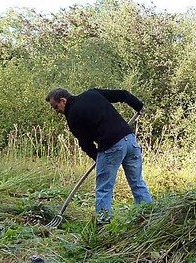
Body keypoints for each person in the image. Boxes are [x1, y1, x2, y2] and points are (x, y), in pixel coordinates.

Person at [45, 87, 152, 224]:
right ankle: (149, 217)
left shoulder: (72, 115)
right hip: (130, 140)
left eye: (55, 107)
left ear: (63, 100)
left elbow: (86, 144)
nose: (57, 112)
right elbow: (123, 94)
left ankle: (103, 225)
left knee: (103, 189)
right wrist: (138, 105)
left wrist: (99, 158)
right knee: (137, 182)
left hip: (111, 146)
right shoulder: (93, 93)